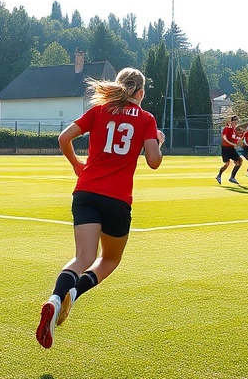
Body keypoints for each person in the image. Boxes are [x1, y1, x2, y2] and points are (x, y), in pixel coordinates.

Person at [36, 68, 164, 349]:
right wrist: (158, 141)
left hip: (85, 192)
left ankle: (55, 299)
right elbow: (153, 161)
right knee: (109, 260)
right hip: (117, 199)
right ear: (140, 93)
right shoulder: (146, 119)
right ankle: (75, 294)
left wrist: (76, 164)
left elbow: (63, 139)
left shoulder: (99, 111)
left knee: (82, 256)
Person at [216, 115, 243, 184]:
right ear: (231, 121)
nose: (236, 122)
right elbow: (224, 138)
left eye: (237, 120)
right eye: (234, 120)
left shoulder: (234, 130)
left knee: (239, 161)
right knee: (227, 163)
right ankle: (219, 176)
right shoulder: (227, 128)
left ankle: (232, 177)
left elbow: (236, 139)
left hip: (231, 148)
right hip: (225, 148)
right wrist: (232, 143)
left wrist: (238, 140)